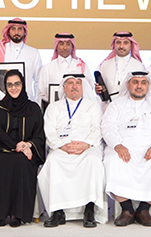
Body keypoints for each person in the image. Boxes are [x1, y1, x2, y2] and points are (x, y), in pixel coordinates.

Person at [101, 71, 151, 227]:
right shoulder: (116, 105)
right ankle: (127, 209)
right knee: (112, 160)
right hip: (123, 144)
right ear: (128, 85)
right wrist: (117, 145)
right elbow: (107, 127)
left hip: (150, 145)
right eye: (135, 82)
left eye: (143, 83)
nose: (139, 86)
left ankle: (144, 209)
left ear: (148, 86)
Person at [0, 69, 46, 226]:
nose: (13, 88)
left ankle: (17, 214)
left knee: (21, 162)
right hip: (2, 149)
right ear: (5, 87)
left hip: (26, 152)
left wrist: (28, 145)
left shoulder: (33, 108)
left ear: (23, 84)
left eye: (17, 84)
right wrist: (16, 146)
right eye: (9, 85)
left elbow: (39, 135)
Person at [38, 73, 105, 228]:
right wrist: (62, 146)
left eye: (78, 83)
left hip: (88, 147)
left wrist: (86, 144)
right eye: (70, 83)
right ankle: (58, 212)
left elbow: (98, 129)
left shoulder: (93, 105)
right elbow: (49, 131)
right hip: (62, 147)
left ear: (83, 86)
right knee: (53, 161)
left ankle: (89, 210)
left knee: (93, 160)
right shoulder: (54, 107)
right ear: (64, 87)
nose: (74, 86)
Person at [0, 18, 42, 101]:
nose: (16, 32)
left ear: (25, 32)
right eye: (13, 29)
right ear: (8, 31)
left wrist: (37, 103)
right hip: (2, 101)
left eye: (20, 29)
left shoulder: (33, 53)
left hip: (26, 102)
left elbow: (38, 81)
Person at [36, 32, 94, 107]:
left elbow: (89, 87)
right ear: (56, 46)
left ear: (72, 46)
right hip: (55, 109)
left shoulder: (81, 66)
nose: (65, 47)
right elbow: (42, 92)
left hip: (78, 109)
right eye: (61, 44)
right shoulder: (47, 68)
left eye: (68, 44)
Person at [95, 31, 145, 102]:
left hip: (129, 105)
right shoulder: (105, 64)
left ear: (131, 45)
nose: (121, 46)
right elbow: (100, 88)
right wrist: (98, 90)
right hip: (108, 105)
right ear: (114, 45)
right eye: (118, 42)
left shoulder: (138, 66)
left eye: (125, 43)